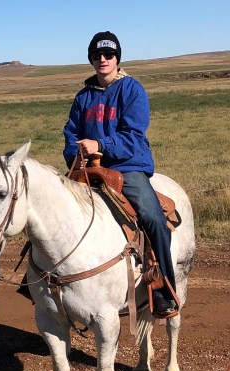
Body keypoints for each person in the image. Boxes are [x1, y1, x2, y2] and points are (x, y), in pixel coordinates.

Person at [63, 31, 176, 315]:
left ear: (117, 58)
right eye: (97, 55)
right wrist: (73, 154)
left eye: (108, 55)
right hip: (88, 166)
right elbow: (70, 132)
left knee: (152, 217)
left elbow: (134, 136)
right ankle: (42, 280)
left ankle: (163, 288)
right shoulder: (84, 96)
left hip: (128, 166)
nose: (103, 60)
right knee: (54, 206)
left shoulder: (132, 89)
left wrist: (100, 144)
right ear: (91, 59)